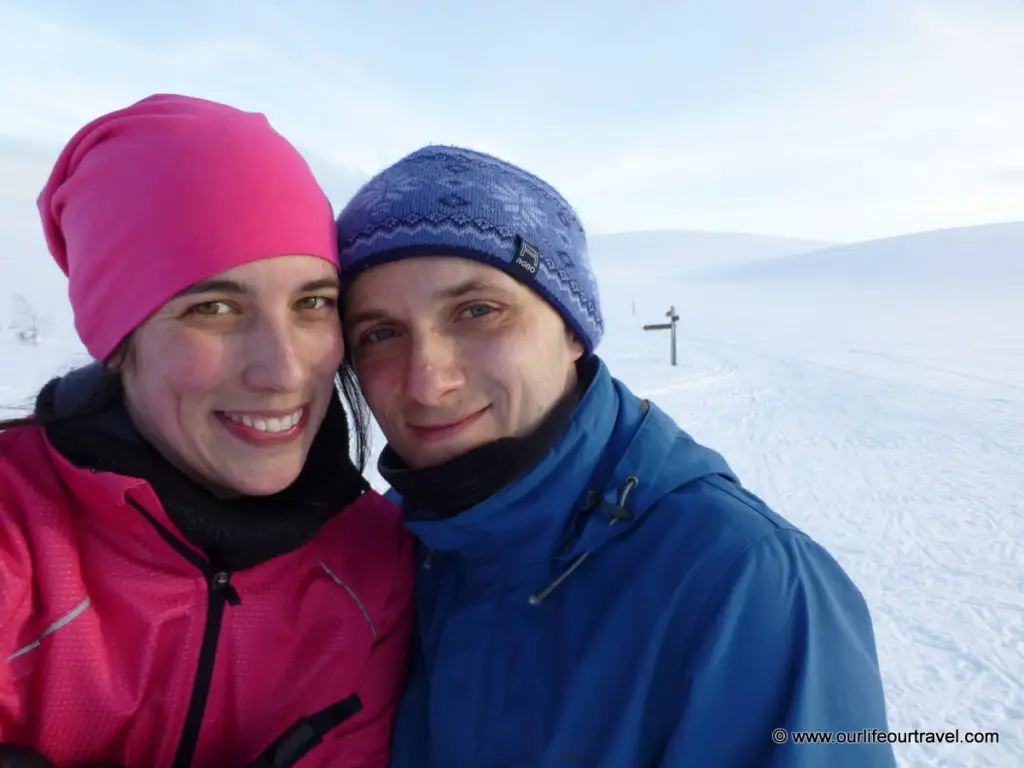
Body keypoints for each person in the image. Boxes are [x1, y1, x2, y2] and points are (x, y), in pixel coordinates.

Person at [333, 145, 898, 766]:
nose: (426, 382)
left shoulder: (746, 584)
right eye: (381, 333)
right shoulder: (388, 548)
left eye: (478, 311)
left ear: (572, 328)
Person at [0, 95, 414, 768]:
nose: (283, 370)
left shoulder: (375, 561)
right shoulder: (18, 537)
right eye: (214, 308)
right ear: (117, 338)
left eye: (313, 303)